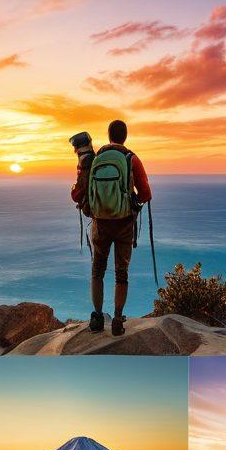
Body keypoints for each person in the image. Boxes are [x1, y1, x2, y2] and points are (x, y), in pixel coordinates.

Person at [74, 119, 152, 337]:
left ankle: (97, 317)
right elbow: (146, 194)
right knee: (121, 273)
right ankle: (117, 320)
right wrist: (131, 200)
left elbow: (78, 193)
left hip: (100, 223)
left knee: (97, 271)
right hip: (124, 224)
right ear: (125, 137)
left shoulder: (95, 159)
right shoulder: (131, 159)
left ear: (109, 136)